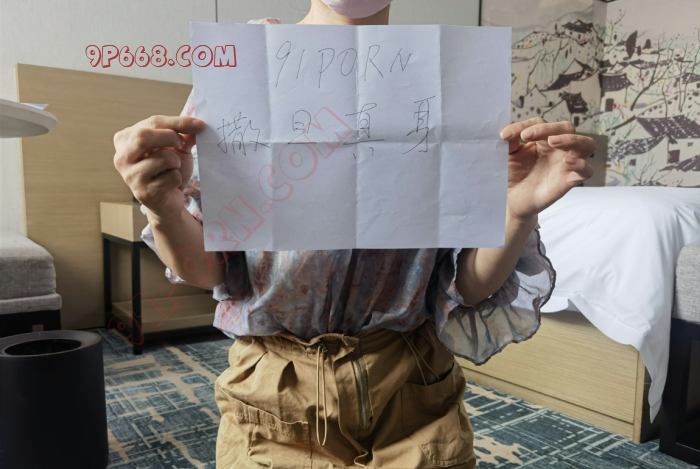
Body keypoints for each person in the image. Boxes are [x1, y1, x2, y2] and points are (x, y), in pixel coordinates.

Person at [112, 1, 595, 467]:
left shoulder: (453, 80)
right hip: (273, 399)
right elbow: (206, 272)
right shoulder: (241, 65)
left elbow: (464, 287)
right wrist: (163, 209)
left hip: (412, 392)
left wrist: (516, 213)